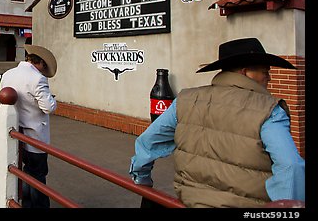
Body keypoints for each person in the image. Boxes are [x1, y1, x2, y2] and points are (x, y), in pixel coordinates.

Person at [129, 38, 305, 208]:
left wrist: (141, 178)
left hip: (191, 200)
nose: (269, 78)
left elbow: (148, 142)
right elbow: (290, 166)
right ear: (246, 73)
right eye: (265, 72)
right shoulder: (269, 110)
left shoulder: (186, 100)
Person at [0, 44, 58, 208]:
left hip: (16, 133)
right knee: (38, 175)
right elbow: (48, 107)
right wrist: (53, 100)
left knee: (23, 173)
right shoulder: (37, 79)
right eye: (43, 68)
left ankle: (26, 203)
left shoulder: (7, 75)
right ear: (39, 63)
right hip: (35, 136)